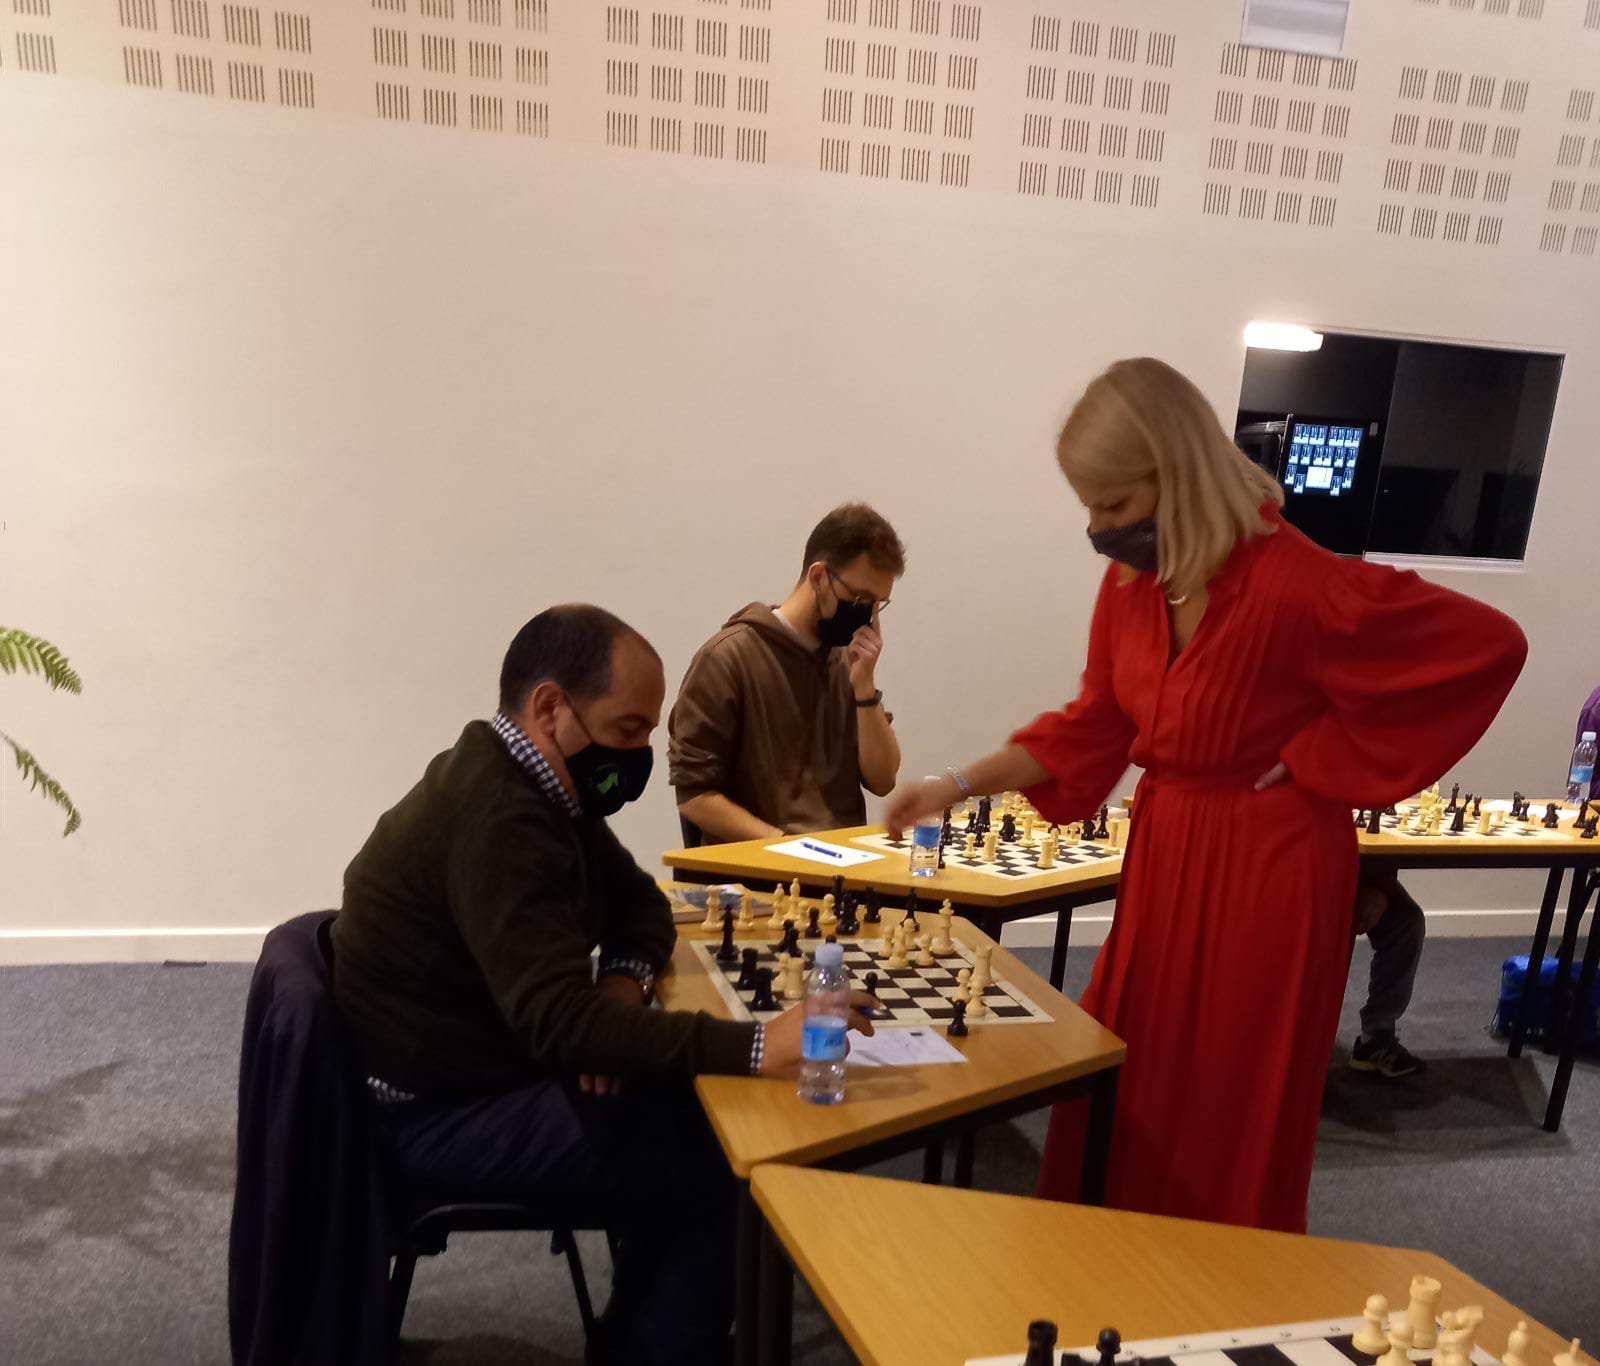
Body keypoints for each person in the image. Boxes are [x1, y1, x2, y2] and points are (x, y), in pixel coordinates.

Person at [885, 358, 1527, 1233]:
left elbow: (1489, 646)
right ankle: (1108, 1255)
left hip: (1272, 867)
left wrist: (1318, 755)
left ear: (1177, 474)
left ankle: (1217, 1275)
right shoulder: (1130, 588)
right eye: (1089, 506)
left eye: (1114, 504)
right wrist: (954, 785)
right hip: (1168, 854)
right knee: (1134, 1066)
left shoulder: (1300, 583)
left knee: (1234, 1086)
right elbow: (1092, 721)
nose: (1098, 528)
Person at [331, 604, 874, 1366]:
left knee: (690, 1109)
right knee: (725, 1160)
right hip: (432, 1109)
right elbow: (560, 1026)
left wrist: (620, 984)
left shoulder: (539, 783)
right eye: (628, 729)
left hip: (477, 1057)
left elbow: (640, 906)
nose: (642, 753)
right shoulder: (501, 818)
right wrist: (761, 1043)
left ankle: (637, 1334)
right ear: (551, 708)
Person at [669, 502, 906, 842]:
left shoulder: (848, 662)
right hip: (765, 863)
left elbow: (883, 781)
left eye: (878, 604)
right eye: (859, 599)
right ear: (818, 577)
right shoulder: (726, 658)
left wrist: (864, 689)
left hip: (844, 859)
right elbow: (694, 796)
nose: (868, 616)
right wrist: (786, 846)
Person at [1348, 866, 1427, 1078]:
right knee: (1335, 919)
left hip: (1359, 866)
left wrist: (1379, 887)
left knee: (1406, 921)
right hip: (1311, 866)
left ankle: (1375, 1037)